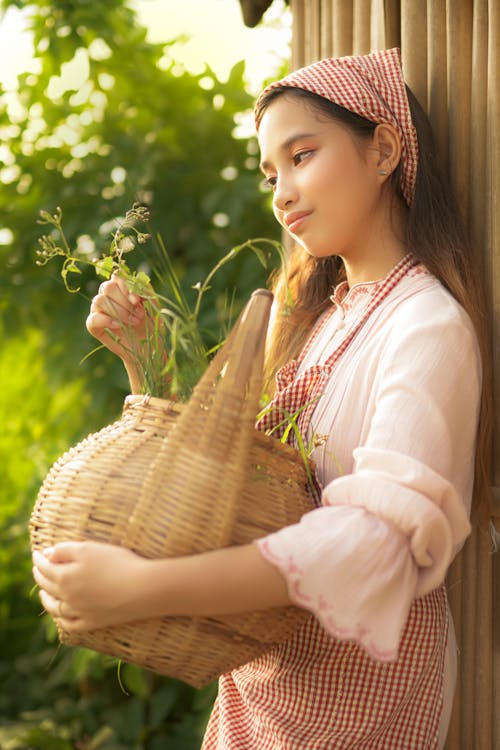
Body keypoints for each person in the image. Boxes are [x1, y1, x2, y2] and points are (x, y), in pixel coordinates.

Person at [32, 48, 492, 749]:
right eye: (270, 174)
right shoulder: (317, 318)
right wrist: (147, 362)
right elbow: (241, 491)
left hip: (363, 698)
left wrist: (140, 590)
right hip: (265, 682)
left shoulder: (427, 325)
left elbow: (370, 546)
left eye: (302, 156)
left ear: (384, 150)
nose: (280, 192)